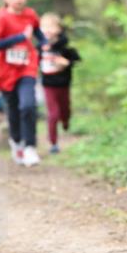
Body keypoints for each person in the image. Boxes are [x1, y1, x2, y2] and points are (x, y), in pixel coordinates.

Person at [0, 0, 46, 167]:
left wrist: (44, 47)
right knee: (13, 110)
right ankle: (16, 141)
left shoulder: (30, 15)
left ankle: (30, 147)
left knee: (28, 105)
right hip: (6, 72)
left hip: (27, 67)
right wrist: (18, 37)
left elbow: (38, 34)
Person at [38, 12, 81, 154]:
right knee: (53, 114)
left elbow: (76, 59)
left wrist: (66, 63)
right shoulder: (40, 47)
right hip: (48, 84)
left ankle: (66, 120)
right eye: (44, 27)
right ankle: (53, 143)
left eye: (51, 26)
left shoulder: (65, 48)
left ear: (59, 29)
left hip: (63, 84)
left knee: (65, 110)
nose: (48, 30)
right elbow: (33, 62)